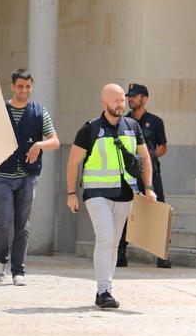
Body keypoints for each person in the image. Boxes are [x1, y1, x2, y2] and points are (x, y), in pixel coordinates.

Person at [66, 83, 157, 309]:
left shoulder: (132, 126)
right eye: (115, 100)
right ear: (103, 101)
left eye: (122, 100)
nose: (120, 104)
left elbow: (146, 158)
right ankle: (103, 290)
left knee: (114, 243)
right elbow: (73, 162)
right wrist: (71, 193)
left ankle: (105, 290)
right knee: (105, 238)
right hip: (96, 193)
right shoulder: (90, 129)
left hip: (125, 194)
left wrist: (148, 186)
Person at [0, 68, 59, 286]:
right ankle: (0, 259)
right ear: (12, 86)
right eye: (20, 86)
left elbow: (55, 141)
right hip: (1, 173)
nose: (24, 90)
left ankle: (18, 270)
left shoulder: (40, 112)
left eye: (28, 86)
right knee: (3, 221)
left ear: (32, 87)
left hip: (28, 176)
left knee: (23, 224)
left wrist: (40, 145)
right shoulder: (0, 110)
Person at [117, 83, 171, 268]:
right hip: (128, 174)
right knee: (125, 211)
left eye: (134, 96)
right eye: (128, 96)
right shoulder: (122, 122)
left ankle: (162, 255)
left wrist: (150, 156)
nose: (130, 99)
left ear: (144, 99)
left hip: (151, 173)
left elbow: (163, 146)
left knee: (159, 211)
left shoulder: (155, 121)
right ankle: (120, 253)